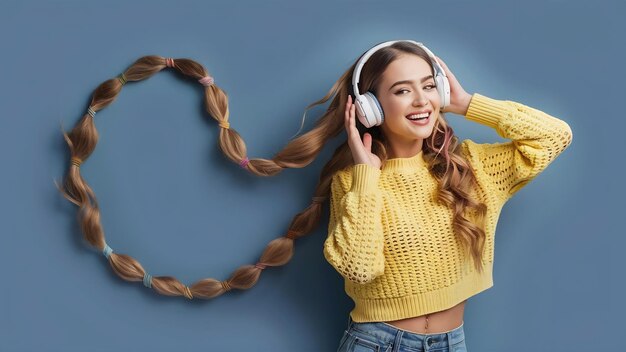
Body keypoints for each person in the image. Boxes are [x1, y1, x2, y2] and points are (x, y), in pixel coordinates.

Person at [320, 40, 573, 351]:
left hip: (452, 343)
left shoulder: (473, 167)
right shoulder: (355, 182)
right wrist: (366, 175)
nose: (421, 101)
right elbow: (360, 269)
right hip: (376, 343)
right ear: (370, 107)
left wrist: (467, 103)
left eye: (428, 86)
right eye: (402, 91)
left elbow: (555, 136)